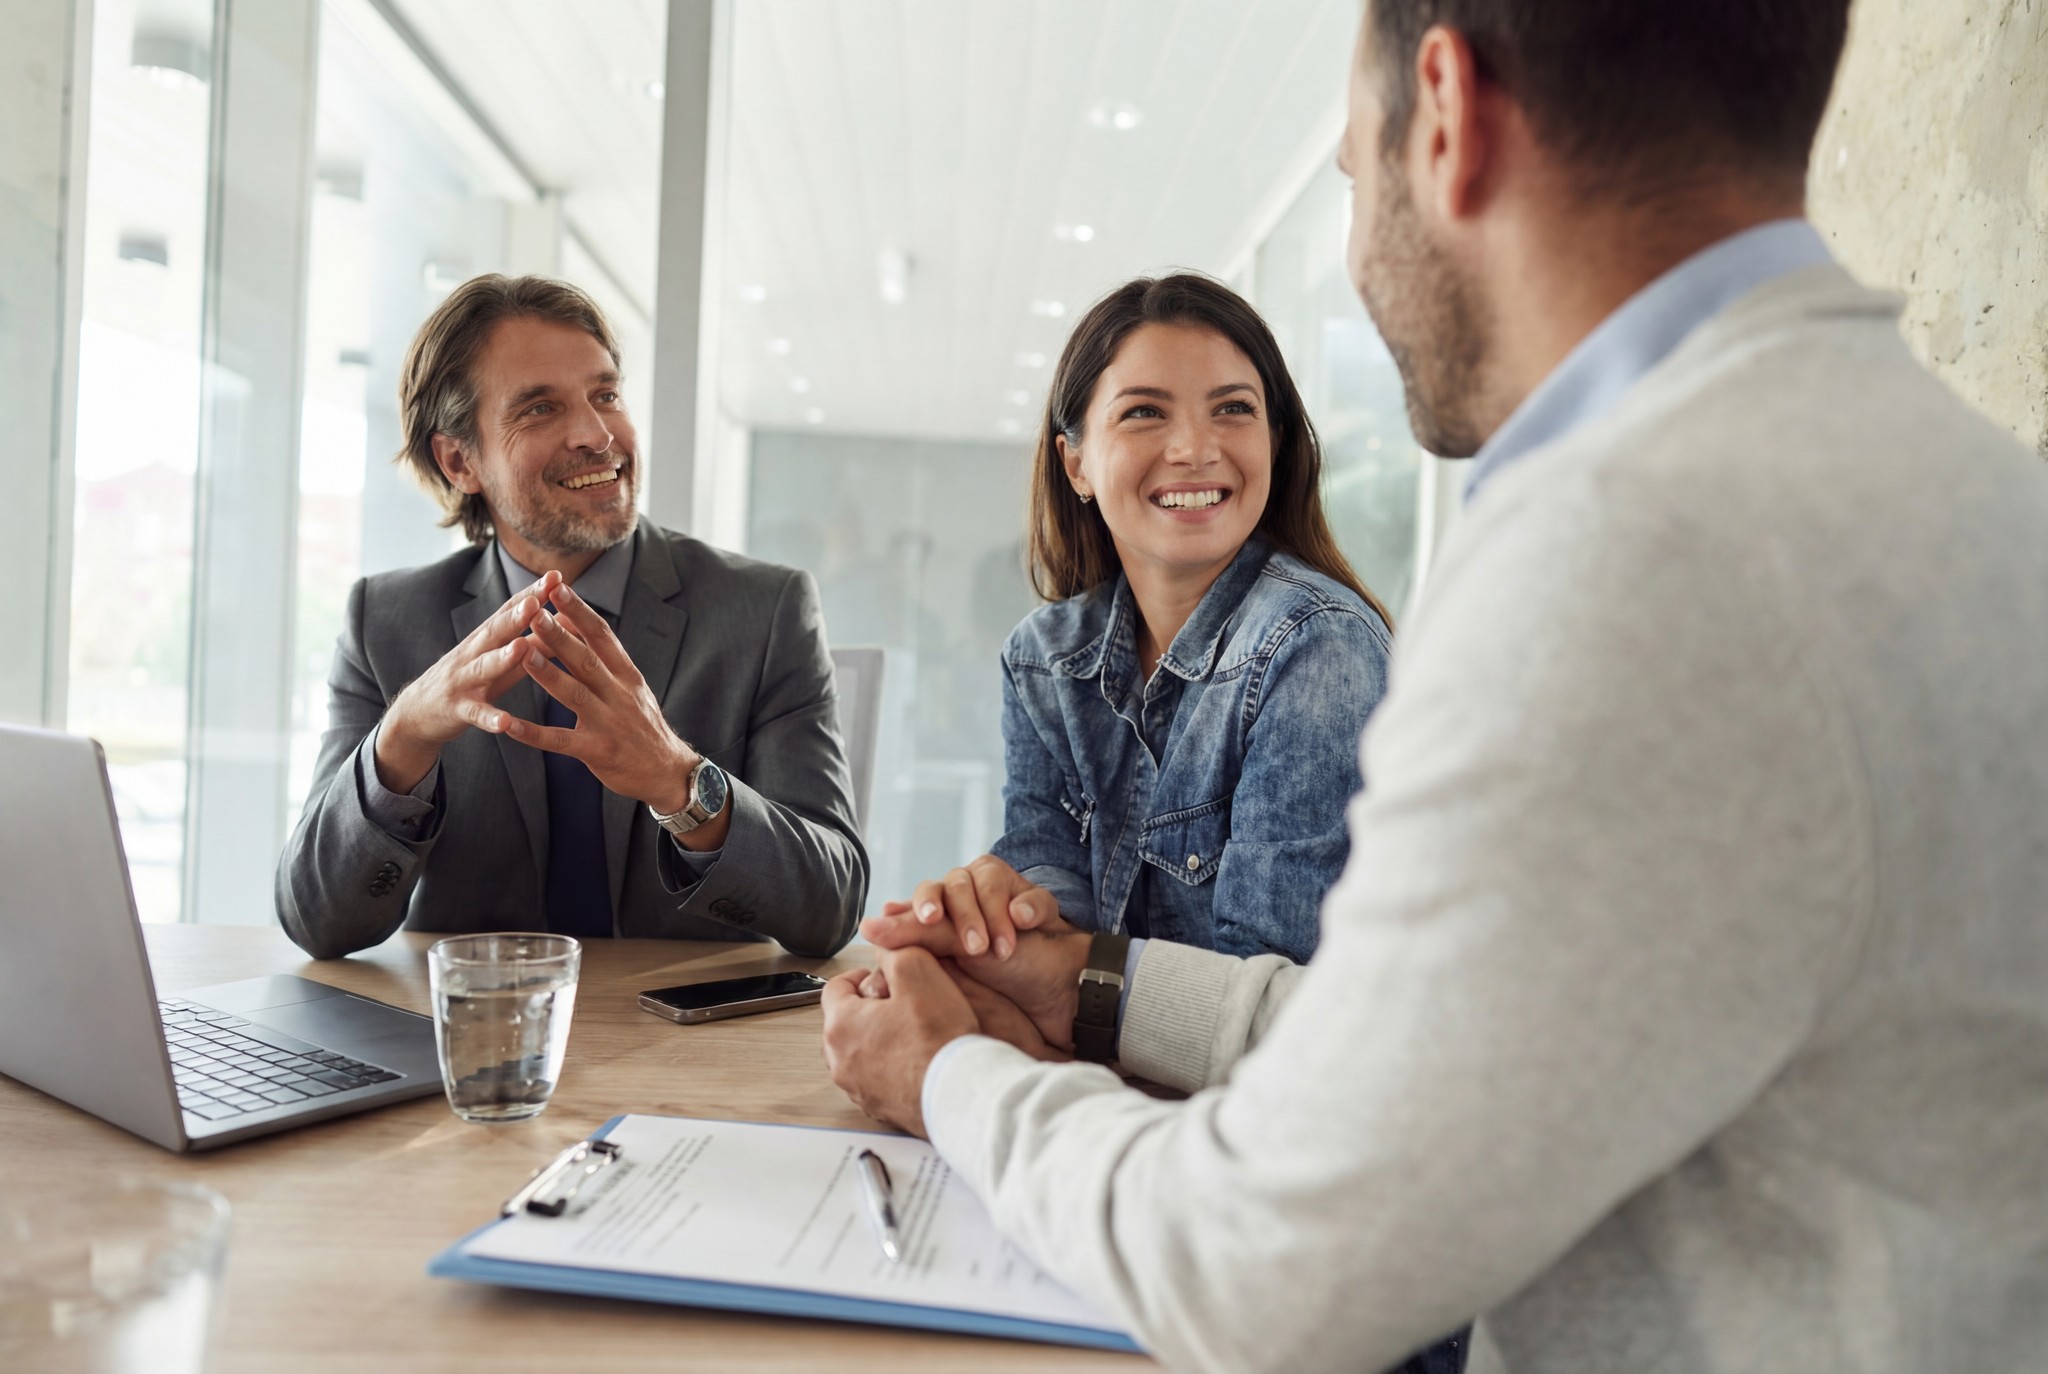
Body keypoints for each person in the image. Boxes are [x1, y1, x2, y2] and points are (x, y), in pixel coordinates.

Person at [821, 2, 2048, 1371]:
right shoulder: (1979, 499)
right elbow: (1448, 1051)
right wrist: (1079, 985)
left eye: (1352, 169)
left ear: (1446, 115)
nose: (1353, 248)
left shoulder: (1629, 562)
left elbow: (1259, 1265)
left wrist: (949, 1075)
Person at [278, 275, 865, 961]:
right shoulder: (385, 622)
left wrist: (680, 783)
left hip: (684, 1050)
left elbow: (831, 908)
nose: (595, 433)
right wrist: (403, 740)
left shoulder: (765, 611)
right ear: (460, 460)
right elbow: (319, 924)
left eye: (605, 395)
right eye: (539, 409)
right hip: (474, 1041)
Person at [890, 274, 1396, 968]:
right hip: (1109, 1070)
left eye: (1233, 409)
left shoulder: (1316, 645)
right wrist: (1003, 921)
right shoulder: (1042, 657)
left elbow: (1267, 999)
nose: (1194, 448)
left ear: (1273, 443)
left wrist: (1057, 981)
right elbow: (1047, 872)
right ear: (1077, 465)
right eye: (1144, 413)